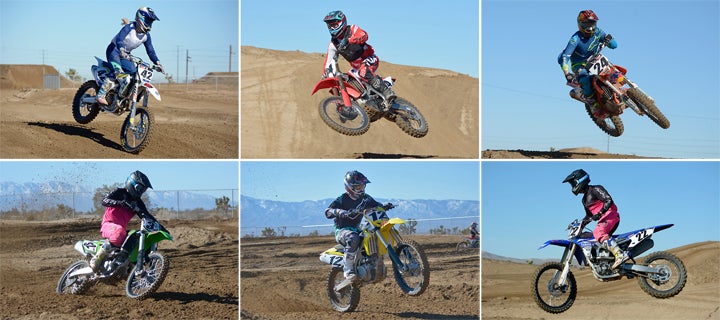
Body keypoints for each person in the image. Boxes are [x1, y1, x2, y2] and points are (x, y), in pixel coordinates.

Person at [321, 10, 396, 107]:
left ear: (342, 22)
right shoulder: (333, 44)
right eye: (330, 26)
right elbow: (328, 62)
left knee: (363, 71)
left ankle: (387, 93)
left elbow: (364, 35)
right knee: (345, 79)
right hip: (356, 68)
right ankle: (348, 106)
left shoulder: (352, 29)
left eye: (334, 25)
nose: (332, 28)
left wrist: (350, 40)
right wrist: (325, 73)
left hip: (370, 58)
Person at [324, 170, 384, 288]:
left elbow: (377, 205)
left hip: (357, 229)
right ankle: (348, 270)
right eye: (357, 186)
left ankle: (373, 266)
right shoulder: (343, 199)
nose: (361, 188)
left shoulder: (366, 198)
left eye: (362, 185)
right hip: (342, 230)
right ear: (349, 187)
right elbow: (327, 212)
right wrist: (340, 212)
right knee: (353, 237)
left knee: (372, 236)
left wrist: (385, 206)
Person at [90, 170, 155, 273]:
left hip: (121, 230)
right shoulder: (119, 192)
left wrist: (160, 227)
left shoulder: (138, 202)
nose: (141, 192)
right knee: (119, 231)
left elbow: (146, 215)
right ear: (132, 184)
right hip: (108, 225)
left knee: (136, 236)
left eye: (143, 190)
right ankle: (97, 258)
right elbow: (104, 200)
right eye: (140, 188)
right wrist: (121, 203)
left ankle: (127, 266)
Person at [97, 7, 164, 105]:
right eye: (148, 20)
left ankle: (122, 94)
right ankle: (101, 94)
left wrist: (158, 63)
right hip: (114, 50)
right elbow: (120, 39)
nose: (149, 24)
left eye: (151, 21)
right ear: (141, 18)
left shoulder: (146, 36)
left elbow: (150, 51)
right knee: (117, 72)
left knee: (134, 74)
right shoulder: (129, 27)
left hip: (126, 54)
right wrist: (121, 49)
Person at [563, 169, 628, 269]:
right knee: (584, 236)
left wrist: (600, 212)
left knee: (599, 232)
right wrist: (580, 225)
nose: (573, 186)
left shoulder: (595, 189)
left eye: (573, 183)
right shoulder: (584, 200)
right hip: (603, 220)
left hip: (611, 215)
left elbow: (608, 200)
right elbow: (589, 216)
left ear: (580, 180)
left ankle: (620, 254)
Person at [558, 10, 617, 117]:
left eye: (592, 24)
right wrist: (567, 73)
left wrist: (609, 39)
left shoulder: (598, 32)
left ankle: (626, 90)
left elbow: (614, 45)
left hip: (595, 59)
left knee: (612, 71)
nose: (590, 28)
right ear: (580, 25)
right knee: (584, 78)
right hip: (579, 65)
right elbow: (565, 56)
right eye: (587, 24)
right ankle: (593, 105)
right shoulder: (575, 39)